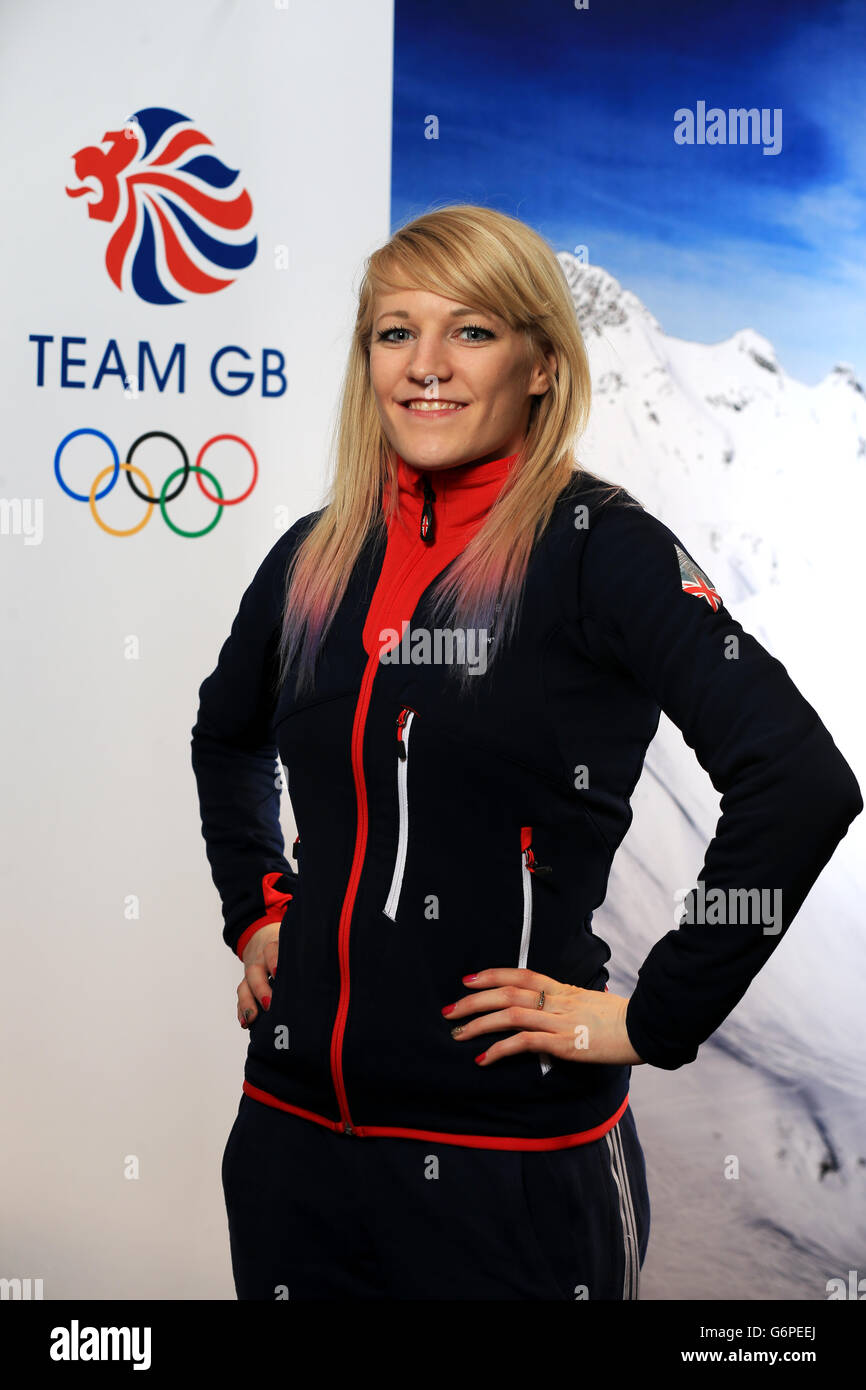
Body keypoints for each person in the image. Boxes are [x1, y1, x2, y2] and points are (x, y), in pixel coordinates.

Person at [190, 204, 862, 1301]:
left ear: (541, 364)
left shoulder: (602, 552)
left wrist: (652, 1017)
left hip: (507, 1166)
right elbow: (226, 738)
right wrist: (258, 908)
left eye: (470, 332)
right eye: (394, 333)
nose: (425, 367)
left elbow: (796, 779)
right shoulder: (312, 556)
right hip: (292, 1142)